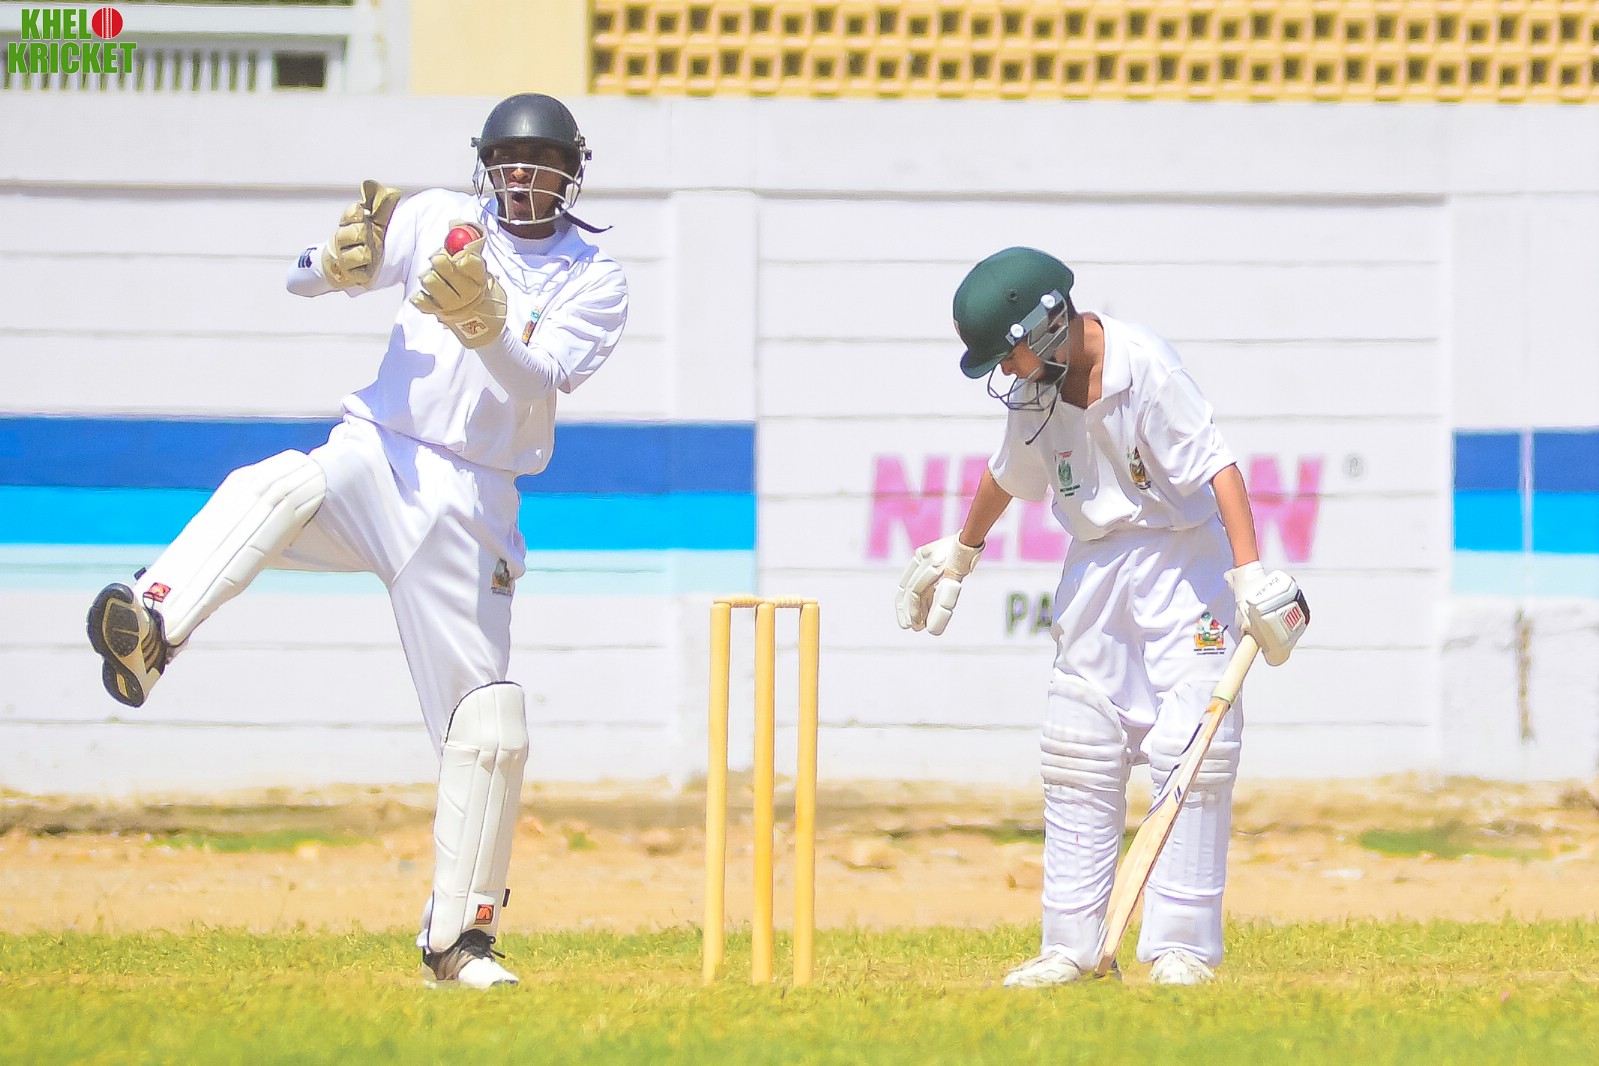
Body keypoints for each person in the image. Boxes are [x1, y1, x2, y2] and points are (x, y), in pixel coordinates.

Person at [85, 92, 628, 989]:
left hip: (472, 499)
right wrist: (333, 265)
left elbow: (537, 379)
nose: (522, 182)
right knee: (278, 483)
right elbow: (301, 277)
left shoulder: (594, 276)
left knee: (487, 728)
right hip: (376, 450)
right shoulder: (436, 215)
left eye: (540, 167)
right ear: (485, 166)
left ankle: (458, 943)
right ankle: (152, 626)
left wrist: (485, 327)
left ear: (572, 173)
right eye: (507, 165)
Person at [895, 247, 1307, 987]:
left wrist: (1247, 575)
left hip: (1185, 559)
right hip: (1096, 565)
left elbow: (1218, 467)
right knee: (1077, 743)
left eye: (1007, 354)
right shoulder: (1036, 389)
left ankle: (1181, 948)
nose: (1005, 371)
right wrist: (962, 551)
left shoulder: (1145, 365)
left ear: (1048, 321)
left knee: (1193, 748)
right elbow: (1007, 472)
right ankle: (1071, 946)